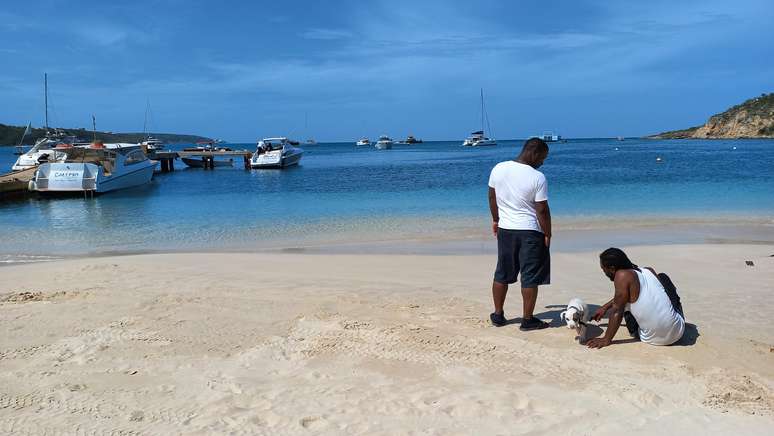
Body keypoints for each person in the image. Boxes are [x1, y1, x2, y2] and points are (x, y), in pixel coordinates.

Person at [488, 138, 552, 331]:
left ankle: (498, 315)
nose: (542, 162)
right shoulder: (537, 177)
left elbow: (492, 196)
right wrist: (548, 232)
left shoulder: (499, 168)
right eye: (543, 157)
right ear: (534, 153)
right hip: (530, 232)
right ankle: (527, 319)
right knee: (530, 276)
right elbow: (541, 209)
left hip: (506, 230)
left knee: (502, 273)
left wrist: (496, 220)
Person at [587, 248, 685, 348]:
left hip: (652, 338)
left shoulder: (621, 275)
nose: (605, 273)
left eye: (604, 270)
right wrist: (605, 307)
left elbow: (617, 311)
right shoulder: (649, 270)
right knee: (663, 277)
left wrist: (606, 339)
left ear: (612, 268)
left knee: (623, 303)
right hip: (678, 332)